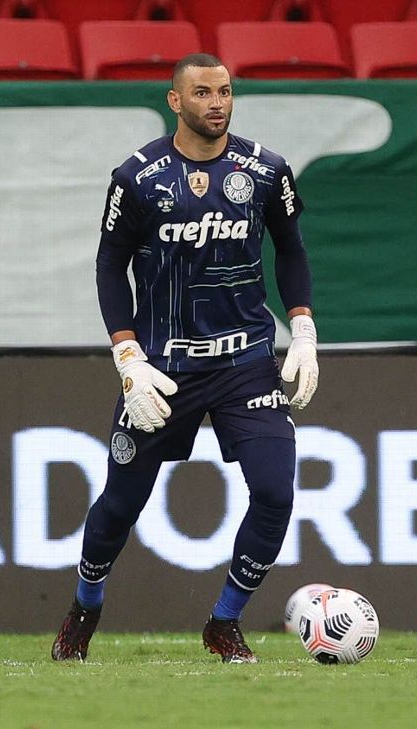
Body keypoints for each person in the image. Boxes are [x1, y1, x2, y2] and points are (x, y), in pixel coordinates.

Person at [51, 53, 319, 664]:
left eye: (224, 92)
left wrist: (301, 331)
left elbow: (292, 253)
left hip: (245, 362)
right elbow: (108, 265)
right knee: (120, 504)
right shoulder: (138, 178)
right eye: (202, 93)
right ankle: (84, 608)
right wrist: (127, 356)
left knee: (276, 492)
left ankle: (223, 623)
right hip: (161, 370)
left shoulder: (266, 171)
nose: (217, 103)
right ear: (175, 101)